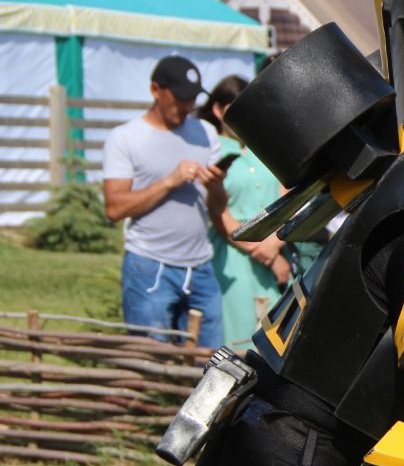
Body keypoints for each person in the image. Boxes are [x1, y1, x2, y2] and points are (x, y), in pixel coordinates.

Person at [103, 55, 225, 346]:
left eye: (193, 98)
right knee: (151, 359)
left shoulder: (205, 134)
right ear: (155, 90)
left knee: (209, 363)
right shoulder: (125, 138)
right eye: (181, 97)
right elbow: (114, 208)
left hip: (201, 267)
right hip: (150, 266)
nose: (188, 106)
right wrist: (169, 181)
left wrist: (217, 186)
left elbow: (218, 205)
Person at [198, 75, 290, 350]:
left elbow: (289, 197)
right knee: (237, 339)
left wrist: (276, 244)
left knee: (274, 338)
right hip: (233, 257)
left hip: (277, 249)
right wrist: (260, 250)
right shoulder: (211, 151)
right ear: (217, 110)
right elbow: (217, 211)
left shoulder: (268, 146)